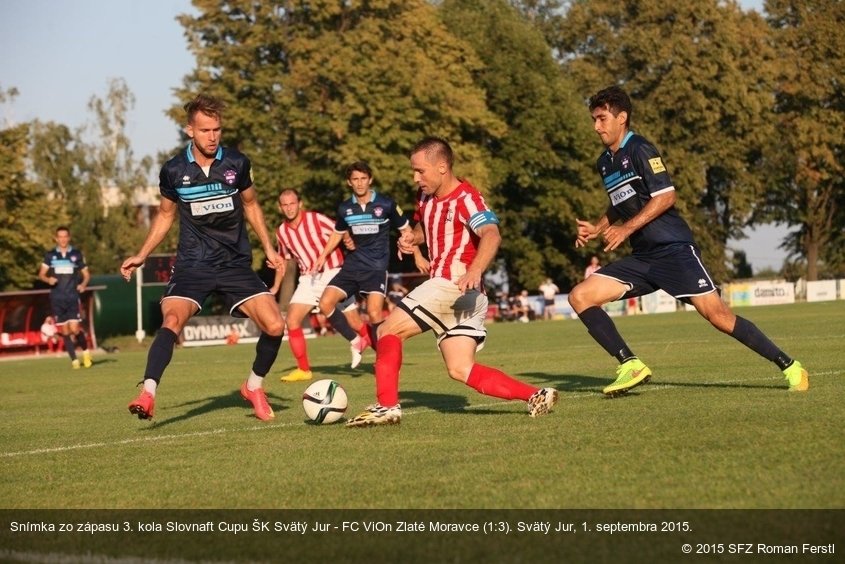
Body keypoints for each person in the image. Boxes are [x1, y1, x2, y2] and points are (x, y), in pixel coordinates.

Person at [569, 85, 809, 397]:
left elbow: (666, 196)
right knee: (580, 296)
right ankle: (630, 364)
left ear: (622, 118)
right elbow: (620, 201)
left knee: (719, 317)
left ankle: (790, 365)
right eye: (594, 119)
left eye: (601, 118)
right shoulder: (605, 161)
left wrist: (625, 230)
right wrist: (599, 227)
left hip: (673, 250)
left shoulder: (641, 149)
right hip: (643, 258)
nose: (596, 126)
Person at [345, 137, 558, 427]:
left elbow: (492, 235)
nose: (415, 177)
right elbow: (424, 227)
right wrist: (412, 238)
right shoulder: (425, 197)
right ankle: (536, 395)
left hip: (453, 283)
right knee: (460, 369)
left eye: (420, 171)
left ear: (442, 167)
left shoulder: (466, 198)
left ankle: (386, 407)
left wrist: (475, 270)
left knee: (386, 331)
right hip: (464, 294)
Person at [121, 93, 286, 421]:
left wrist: (268, 247)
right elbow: (166, 216)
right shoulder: (173, 170)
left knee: (275, 325)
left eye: (217, 130)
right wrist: (141, 254)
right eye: (206, 130)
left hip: (234, 264)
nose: (213, 136)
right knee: (172, 320)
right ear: (190, 131)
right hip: (193, 264)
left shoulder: (236, 163)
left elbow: (251, 204)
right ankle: (148, 392)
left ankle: (254, 386)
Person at [311, 161, 412, 368]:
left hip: (376, 267)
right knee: (325, 304)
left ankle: (384, 359)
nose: (359, 183)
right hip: (352, 267)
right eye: (355, 179)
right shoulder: (345, 208)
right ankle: (356, 341)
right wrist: (322, 256)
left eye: (363, 178)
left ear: (370, 180)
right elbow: (337, 234)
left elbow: (406, 230)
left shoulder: (386, 204)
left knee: (375, 313)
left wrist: (416, 255)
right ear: (349, 182)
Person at [269, 188, 368, 381]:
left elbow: (340, 229)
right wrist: (275, 286)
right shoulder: (281, 232)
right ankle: (304, 370)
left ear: (300, 204)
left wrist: (348, 239)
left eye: (292, 203)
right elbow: (283, 260)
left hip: (333, 274)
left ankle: (383, 355)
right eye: (285, 205)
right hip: (308, 279)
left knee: (355, 322)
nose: (289, 208)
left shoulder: (316, 219)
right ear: (280, 207)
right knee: (292, 320)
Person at [38, 226, 92, 369]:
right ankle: (74, 360)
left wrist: (84, 284)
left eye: (65, 236)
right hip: (57, 298)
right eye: (60, 236)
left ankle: (86, 353)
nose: (62, 239)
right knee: (65, 331)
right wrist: (48, 279)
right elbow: (41, 274)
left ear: (69, 237)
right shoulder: (50, 255)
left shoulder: (76, 254)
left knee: (75, 329)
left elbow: (86, 275)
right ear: (56, 238)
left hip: (72, 297)